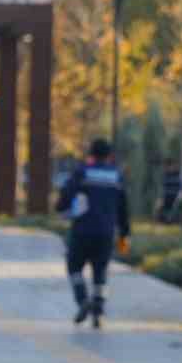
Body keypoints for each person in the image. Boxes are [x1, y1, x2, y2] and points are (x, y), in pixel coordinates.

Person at [55, 137, 130, 328]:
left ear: (91, 154)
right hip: (106, 233)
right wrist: (124, 233)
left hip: (82, 230)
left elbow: (66, 194)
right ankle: (98, 311)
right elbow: (123, 207)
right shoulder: (116, 176)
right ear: (109, 156)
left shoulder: (83, 172)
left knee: (74, 266)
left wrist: (60, 207)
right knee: (100, 271)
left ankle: (82, 300)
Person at [158, 159, 182, 223]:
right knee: (159, 204)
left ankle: (171, 219)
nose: (170, 168)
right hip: (167, 196)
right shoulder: (165, 176)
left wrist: (180, 195)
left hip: (176, 196)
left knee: (177, 203)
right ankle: (163, 219)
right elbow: (162, 188)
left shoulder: (179, 175)